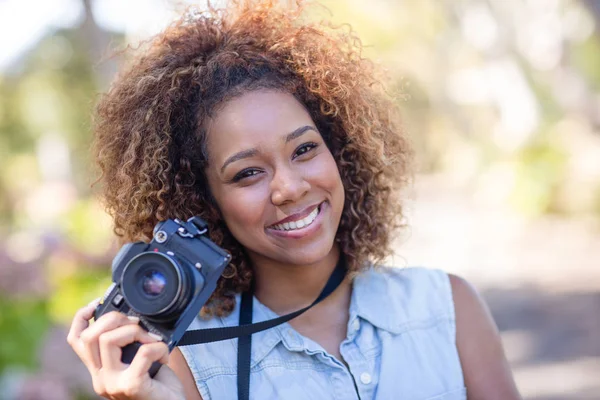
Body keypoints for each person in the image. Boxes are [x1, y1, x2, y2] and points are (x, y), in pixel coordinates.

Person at [67, 1, 521, 399]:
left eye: (304, 149)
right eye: (247, 173)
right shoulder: (180, 365)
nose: (289, 187)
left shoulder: (447, 307)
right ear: (203, 201)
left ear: (340, 150)